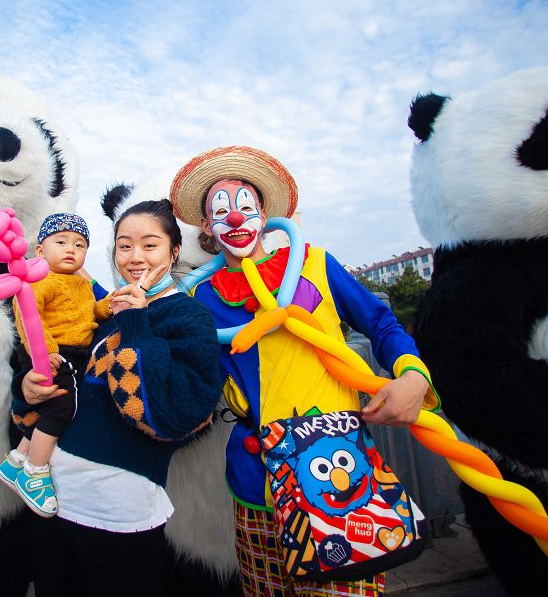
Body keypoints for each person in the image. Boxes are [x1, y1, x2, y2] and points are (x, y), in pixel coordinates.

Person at [169, 146, 440, 597]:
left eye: (245, 206)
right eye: (221, 211)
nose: (235, 219)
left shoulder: (315, 264)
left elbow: (380, 323)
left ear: (263, 213)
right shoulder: (199, 299)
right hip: (255, 479)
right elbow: (198, 380)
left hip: (339, 469)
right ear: (208, 229)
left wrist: (414, 377)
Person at [13, 199, 222, 597]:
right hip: (50, 499)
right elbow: (65, 386)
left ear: (174, 252)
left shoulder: (188, 318)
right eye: (124, 246)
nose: (135, 257)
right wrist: (27, 388)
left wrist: (135, 320)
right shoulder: (103, 314)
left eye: (150, 245)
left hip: (116, 513)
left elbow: (171, 415)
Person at [0, 212, 112, 517]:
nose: (71, 249)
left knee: (49, 408)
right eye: (60, 242)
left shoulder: (80, 284)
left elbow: (92, 313)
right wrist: (43, 352)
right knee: (62, 408)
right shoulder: (41, 279)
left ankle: (17, 460)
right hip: (50, 351)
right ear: (40, 251)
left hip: (71, 351)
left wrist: (108, 306)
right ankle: (35, 471)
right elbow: (26, 313)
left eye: (79, 244)